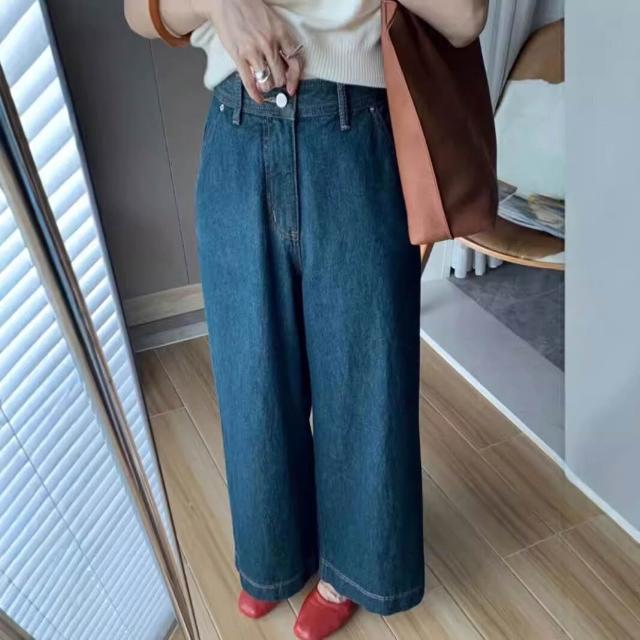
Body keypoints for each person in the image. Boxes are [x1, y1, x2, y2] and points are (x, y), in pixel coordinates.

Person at [125, 1, 488, 638]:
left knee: (363, 383)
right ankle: (274, 559)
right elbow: (139, 12)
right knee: (251, 380)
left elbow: (466, 17)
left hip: (354, 135)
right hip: (237, 134)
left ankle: (350, 570)